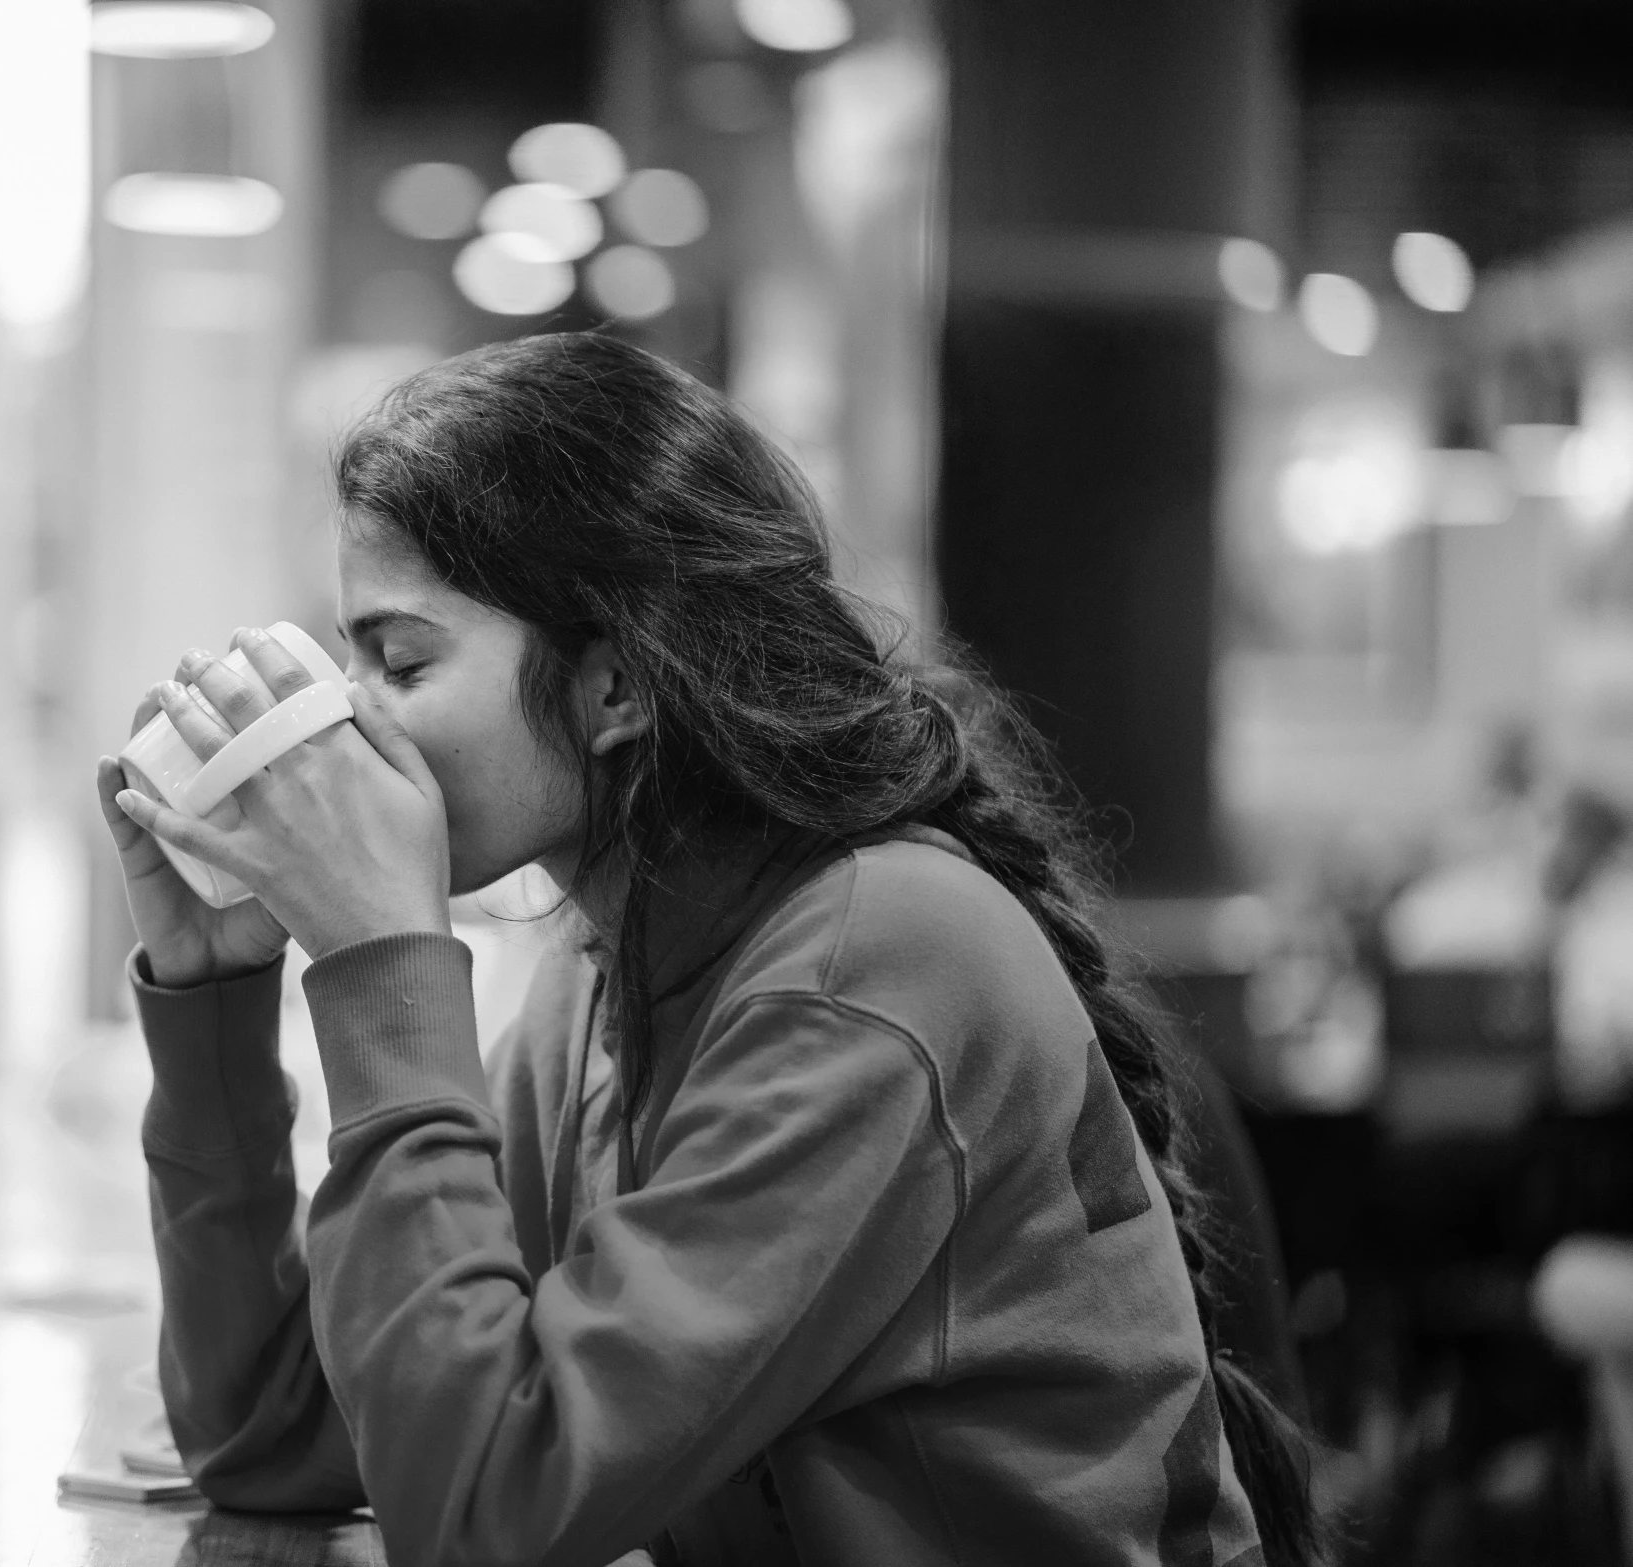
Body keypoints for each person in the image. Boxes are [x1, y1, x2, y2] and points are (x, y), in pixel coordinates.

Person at [97, 333, 1320, 1567]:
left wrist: (383, 966)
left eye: (401, 659)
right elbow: (278, 1430)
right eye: (346, 652)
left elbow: (486, 1510)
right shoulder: (596, 986)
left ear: (614, 684)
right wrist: (214, 1002)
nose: (351, 715)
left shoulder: (872, 965)